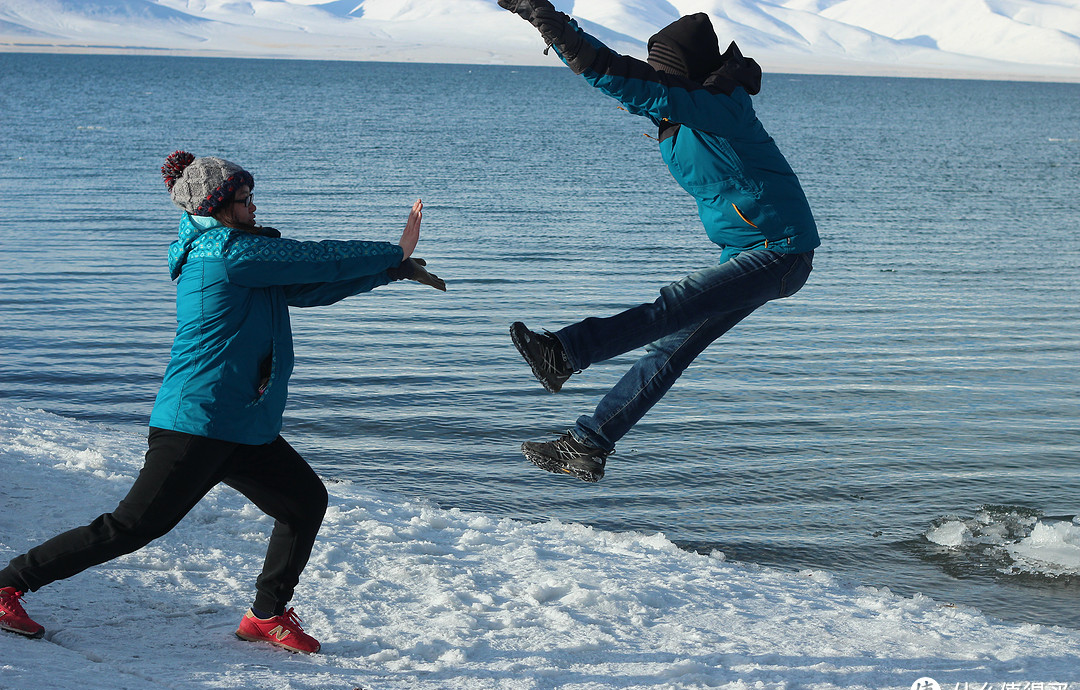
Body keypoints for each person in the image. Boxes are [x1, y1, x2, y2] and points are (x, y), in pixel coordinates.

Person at [0, 151, 445, 652]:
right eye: (244, 199)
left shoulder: (242, 255)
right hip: (198, 422)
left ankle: (266, 615)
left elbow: (311, 286)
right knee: (131, 527)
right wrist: (392, 250)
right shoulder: (226, 254)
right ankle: (7, 584)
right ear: (217, 206)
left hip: (242, 425)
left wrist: (392, 272)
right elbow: (313, 256)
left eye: (252, 197)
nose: (254, 206)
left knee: (304, 502)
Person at [498, 2, 819, 482]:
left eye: (661, 69)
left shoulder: (717, 107)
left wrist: (545, 15)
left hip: (781, 250)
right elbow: (623, 84)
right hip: (750, 253)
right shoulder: (692, 110)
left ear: (681, 69)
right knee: (669, 349)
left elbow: (620, 76)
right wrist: (551, 27)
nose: (656, 76)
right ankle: (587, 445)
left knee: (673, 305)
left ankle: (564, 353)